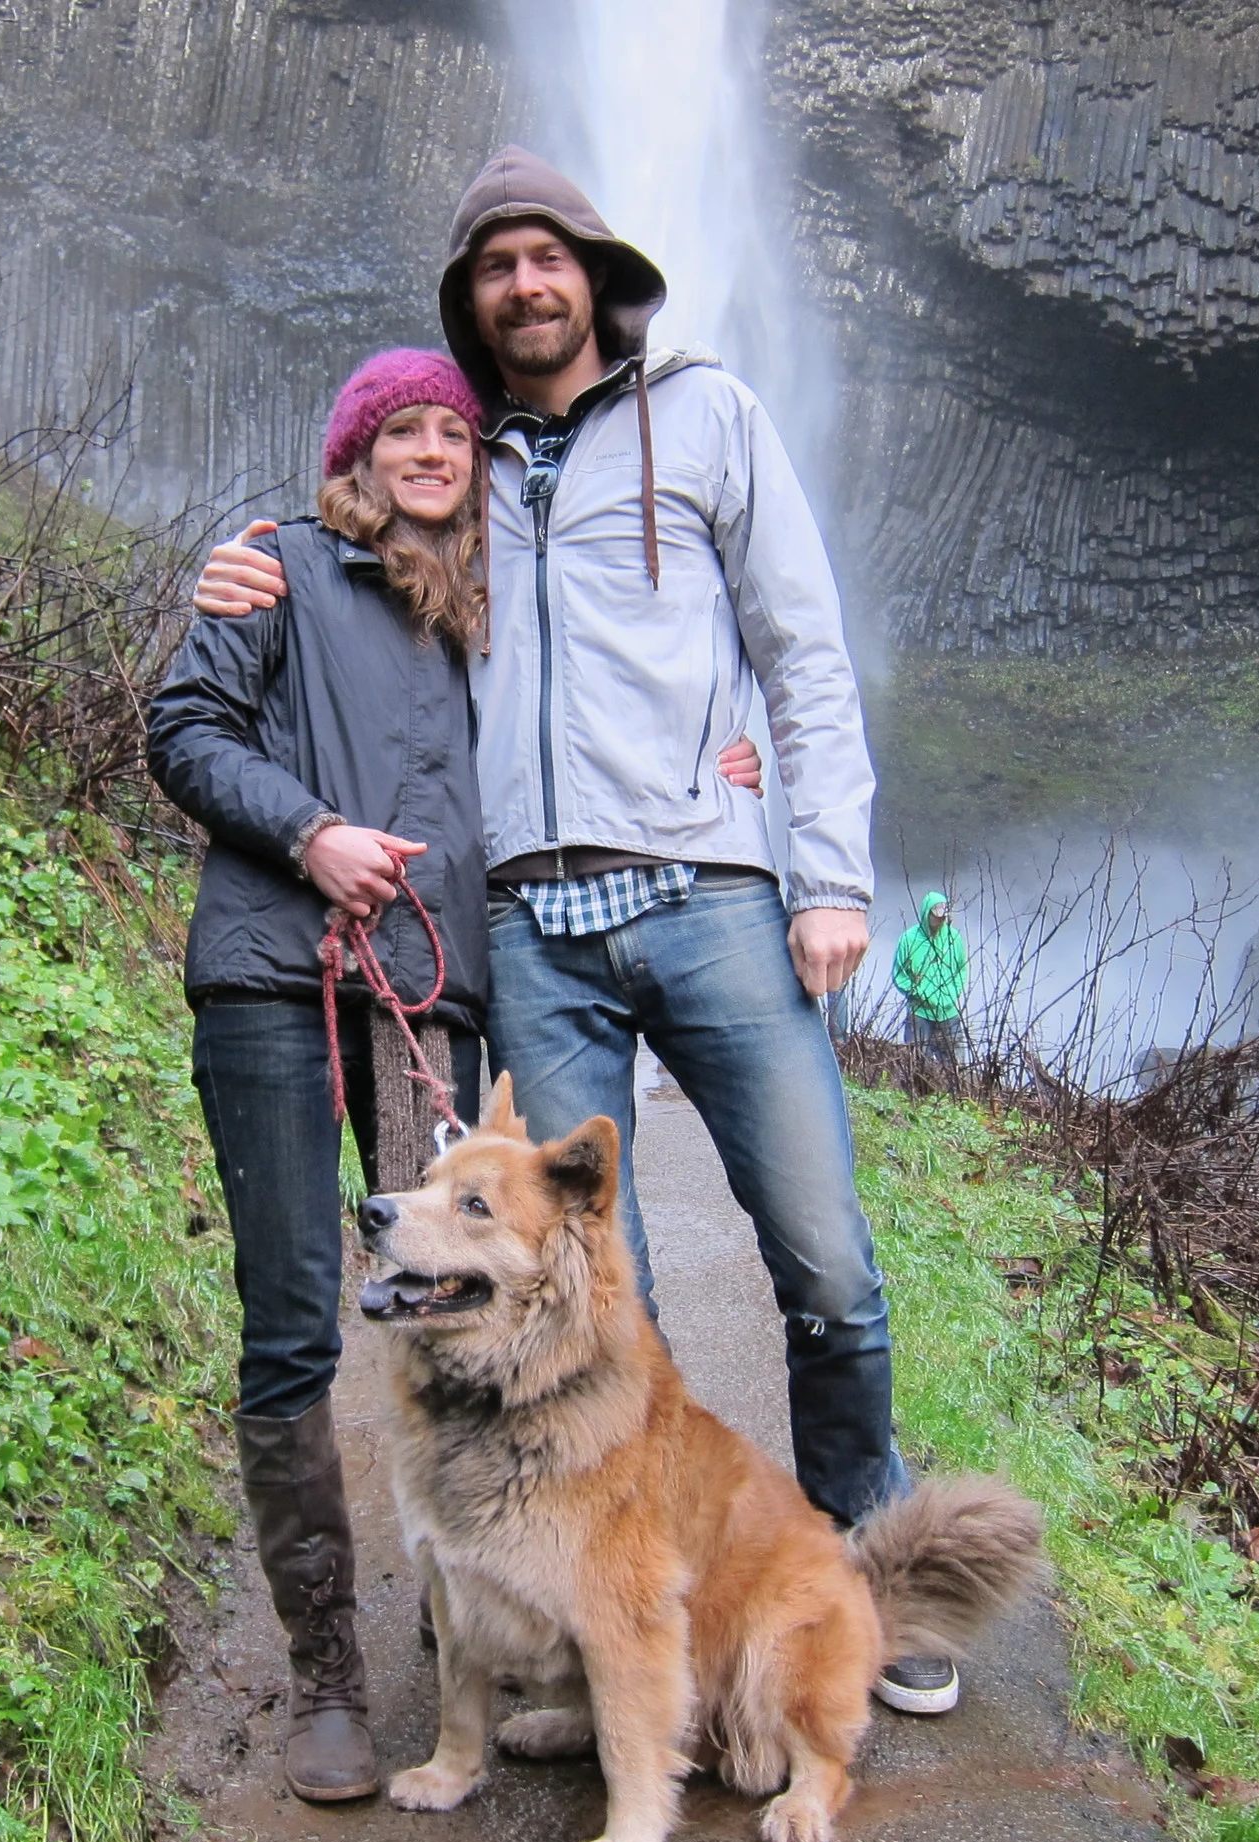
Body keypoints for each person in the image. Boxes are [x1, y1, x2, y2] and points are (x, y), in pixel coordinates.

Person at [193, 148, 963, 1717]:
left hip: (713, 892)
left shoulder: (711, 414)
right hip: (530, 927)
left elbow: (801, 646)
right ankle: (647, 1598)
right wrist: (239, 562)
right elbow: (348, 564)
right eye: (496, 266)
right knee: (606, 1301)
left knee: (825, 1253)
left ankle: (872, 1571)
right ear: (469, 304)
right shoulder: (458, 465)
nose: (526, 285)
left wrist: (829, 870)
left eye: (549, 257)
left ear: (598, 277)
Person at [149, 349, 765, 1801]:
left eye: (452, 431)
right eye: (401, 431)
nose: (431, 450)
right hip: (273, 976)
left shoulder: (501, 609)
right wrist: (310, 834)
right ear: (355, 457)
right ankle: (325, 1673)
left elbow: (613, 709)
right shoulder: (282, 568)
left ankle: (467, 1626)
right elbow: (182, 729)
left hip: (429, 992)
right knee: (295, 1317)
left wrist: (727, 752)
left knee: (450, 1299)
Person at [891, 891, 968, 1065]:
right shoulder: (908, 939)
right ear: (927, 914)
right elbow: (899, 973)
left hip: (948, 1012)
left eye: (943, 918)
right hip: (920, 1012)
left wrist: (951, 994)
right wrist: (917, 992)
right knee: (917, 1061)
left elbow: (961, 970)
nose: (940, 921)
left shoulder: (953, 938)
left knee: (956, 1064)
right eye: (937, 917)